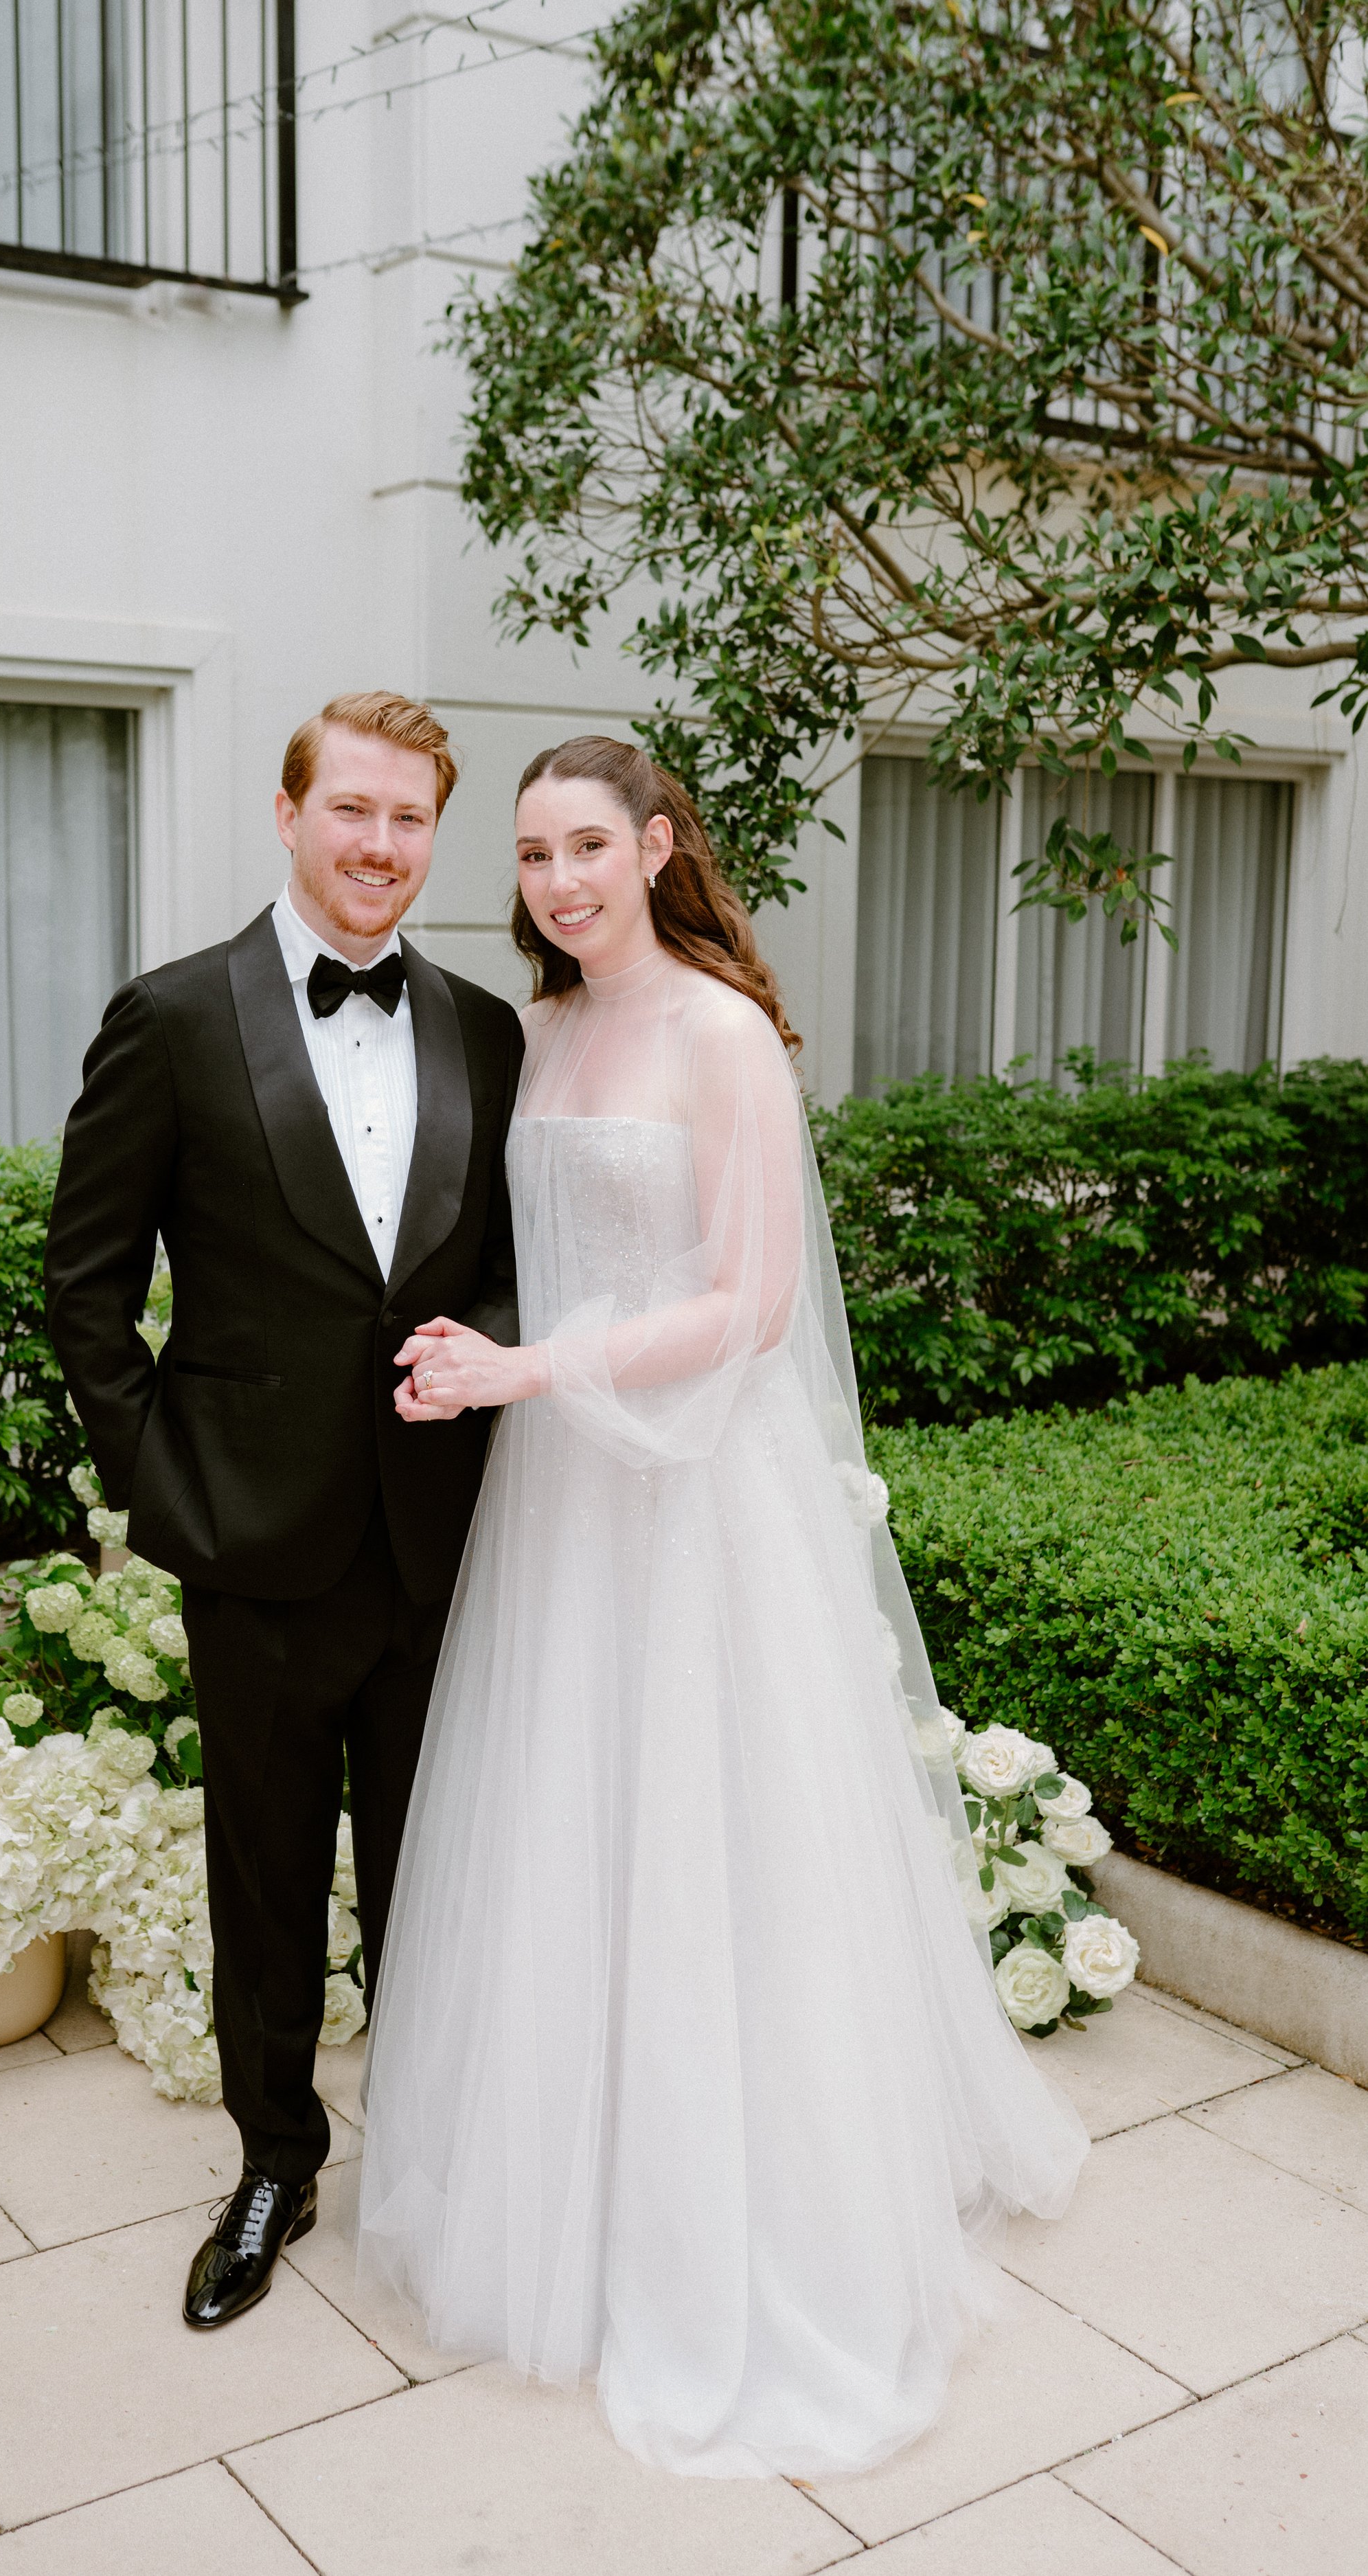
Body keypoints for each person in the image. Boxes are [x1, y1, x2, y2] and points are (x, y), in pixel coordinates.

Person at [356, 735, 1088, 2479]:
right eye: (532, 853)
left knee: (719, 1844)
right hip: (562, 1497)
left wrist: (528, 1368)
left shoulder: (718, 1032)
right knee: (572, 1830)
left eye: (589, 844)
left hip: (692, 1496)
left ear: (659, 846)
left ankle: (756, 2225)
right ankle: (582, 2192)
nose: (557, 880)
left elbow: (753, 1303)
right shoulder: (530, 1033)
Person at [45, 692, 524, 2330]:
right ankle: (274, 2164)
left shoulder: (484, 1028)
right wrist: (153, 1484)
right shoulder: (173, 1018)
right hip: (247, 1543)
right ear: (288, 811)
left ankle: (437, 2160)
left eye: (410, 822)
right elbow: (87, 1285)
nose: (381, 847)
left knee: (431, 1874)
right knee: (262, 1881)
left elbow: (506, 1275)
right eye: (354, 813)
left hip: (437, 1541)